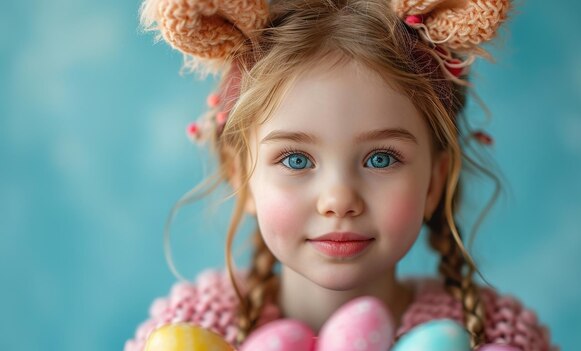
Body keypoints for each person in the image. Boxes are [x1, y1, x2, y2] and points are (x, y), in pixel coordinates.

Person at [126, 0, 558, 350]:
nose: (339, 198)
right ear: (241, 175)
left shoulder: (496, 336)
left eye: (381, 159)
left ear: (434, 181)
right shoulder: (190, 334)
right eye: (296, 160)